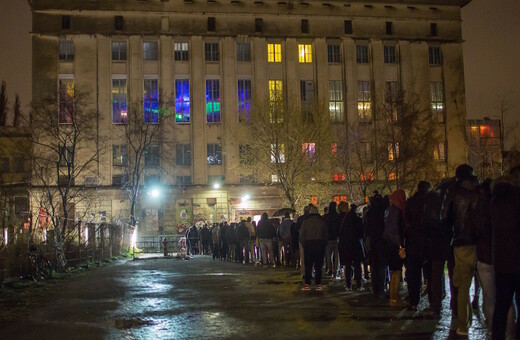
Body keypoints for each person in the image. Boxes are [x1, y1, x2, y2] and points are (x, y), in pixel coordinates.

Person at [443, 164, 480, 336]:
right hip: (481, 245)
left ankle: (463, 324)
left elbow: (444, 218)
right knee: (487, 286)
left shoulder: (453, 192)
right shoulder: (480, 191)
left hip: (460, 244)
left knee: (462, 286)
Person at [490, 166, 520, 340]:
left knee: (501, 305)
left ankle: (498, 336)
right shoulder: (516, 198)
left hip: (501, 261)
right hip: (517, 260)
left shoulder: (495, 200)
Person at [404, 181, 431, 311]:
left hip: (413, 242)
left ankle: (413, 301)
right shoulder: (432, 201)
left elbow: (406, 223)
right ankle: (433, 303)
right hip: (429, 241)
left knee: (414, 275)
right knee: (431, 274)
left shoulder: (410, 202)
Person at [383, 189, 407, 307]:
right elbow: (395, 231)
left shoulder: (388, 210)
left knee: (394, 272)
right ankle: (394, 298)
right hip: (394, 245)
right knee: (396, 272)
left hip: (388, 244)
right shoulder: (396, 211)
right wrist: (400, 246)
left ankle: (393, 297)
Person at [364, 193, 388, 300]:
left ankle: (376, 289)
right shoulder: (384, 211)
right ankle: (381, 289)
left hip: (373, 240)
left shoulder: (370, 212)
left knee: (375, 266)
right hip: (382, 241)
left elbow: (366, 227)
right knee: (382, 266)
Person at [300, 204, 328, 291]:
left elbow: (301, 235)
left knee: (308, 265)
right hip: (319, 245)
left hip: (308, 245)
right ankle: (318, 284)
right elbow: (326, 234)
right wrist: (323, 244)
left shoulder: (306, 221)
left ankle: (307, 284)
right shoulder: (321, 221)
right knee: (318, 266)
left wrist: (304, 244)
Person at [339, 203, 365, 291]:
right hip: (356, 244)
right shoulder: (358, 219)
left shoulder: (345, 219)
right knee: (357, 265)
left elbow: (341, 232)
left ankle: (348, 284)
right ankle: (359, 284)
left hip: (347, 244)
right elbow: (361, 233)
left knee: (348, 265)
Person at [323, 201, 340, 278]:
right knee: (336, 257)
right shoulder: (337, 216)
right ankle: (336, 271)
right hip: (336, 238)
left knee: (328, 256)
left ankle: (330, 269)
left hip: (328, 238)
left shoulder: (325, 217)